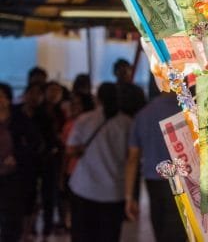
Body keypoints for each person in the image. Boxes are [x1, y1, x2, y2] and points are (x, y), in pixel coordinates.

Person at [67, 83, 131, 242]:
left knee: (82, 235)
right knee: (109, 235)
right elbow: (131, 157)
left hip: (84, 188)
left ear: (98, 99)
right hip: (114, 191)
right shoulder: (128, 123)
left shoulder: (85, 119)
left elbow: (70, 150)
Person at [124, 91, 187, 242]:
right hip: (182, 180)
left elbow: (133, 158)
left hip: (153, 181)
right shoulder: (185, 110)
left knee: (158, 225)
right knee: (178, 229)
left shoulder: (143, 114)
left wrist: (128, 197)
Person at [0, 83, 42, 242]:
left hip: (14, 174)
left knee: (12, 217)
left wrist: (17, 155)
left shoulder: (19, 118)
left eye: (1, 96)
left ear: (8, 99)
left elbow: (35, 142)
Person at [59, 93, 95, 230]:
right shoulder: (72, 124)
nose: (74, 107)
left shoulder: (74, 124)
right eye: (72, 104)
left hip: (76, 169)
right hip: (78, 169)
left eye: (77, 104)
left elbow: (66, 152)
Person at [37, 81, 66, 238]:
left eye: (58, 91)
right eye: (51, 90)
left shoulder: (60, 112)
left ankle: (47, 228)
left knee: (51, 194)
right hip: (40, 158)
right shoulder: (38, 112)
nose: (54, 94)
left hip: (54, 159)